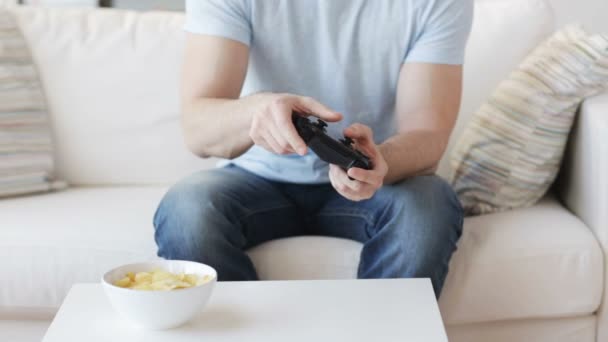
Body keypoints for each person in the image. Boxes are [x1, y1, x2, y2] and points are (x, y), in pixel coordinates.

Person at [154, 0, 473, 297]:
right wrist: (258, 111)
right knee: (186, 210)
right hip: (254, 177)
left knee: (429, 206)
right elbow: (198, 130)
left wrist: (378, 160)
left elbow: (428, 134)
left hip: (376, 182)